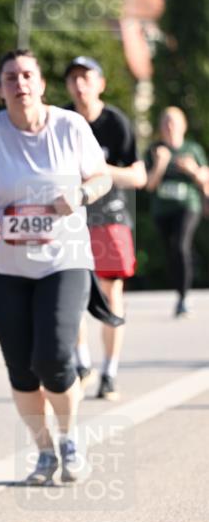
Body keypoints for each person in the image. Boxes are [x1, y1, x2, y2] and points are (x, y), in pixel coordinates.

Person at [0, 49, 116, 486]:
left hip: (64, 260)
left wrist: (79, 196)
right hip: (5, 267)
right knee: (21, 367)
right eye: (9, 77)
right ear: (0, 89)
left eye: (27, 75)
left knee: (54, 358)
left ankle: (70, 439)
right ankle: (43, 452)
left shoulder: (70, 126)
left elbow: (102, 178)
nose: (19, 83)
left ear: (41, 84)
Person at [64, 56, 147, 401]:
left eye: (86, 77)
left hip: (110, 219)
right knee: (74, 292)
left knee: (111, 293)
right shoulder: (62, 121)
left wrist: (98, 170)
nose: (80, 84)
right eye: (73, 79)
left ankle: (109, 371)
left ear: (100, 83)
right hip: (71, 219)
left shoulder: (116, 123)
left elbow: (139, 177)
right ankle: (82, 365)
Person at [145, 106, 208, 317]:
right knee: (173, 252)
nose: (170, 126)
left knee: (181, 245)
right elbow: (149, 185)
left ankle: (183, 298)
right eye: (166, 122)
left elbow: (205, 181)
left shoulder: (193, 149)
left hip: (188, 206)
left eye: (174, 122)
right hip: (163, 210)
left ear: (183, 126)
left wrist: (193, 170)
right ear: (161, 127)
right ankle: (183, 282)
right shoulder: (154, 150)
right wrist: (160, 164)